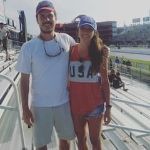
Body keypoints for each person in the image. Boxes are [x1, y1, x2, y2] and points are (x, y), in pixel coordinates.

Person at [16, 1, 76, 150]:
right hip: (40, 105)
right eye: (42, 16)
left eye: (50, 16)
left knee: (65, 140)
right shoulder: (28, 47)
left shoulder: (67, 40)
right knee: (41, 145)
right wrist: (25, 108)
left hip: (64, 103)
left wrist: (100, 49)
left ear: (55, 18)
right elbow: (24, 80)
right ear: (37, 20)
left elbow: (82, 56)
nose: (46, 20)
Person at [69, 15, 111, 150]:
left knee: (95, 140)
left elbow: (105, 82)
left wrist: (109, 107)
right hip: (76, 106)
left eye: (89, 29)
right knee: (80, 139)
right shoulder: (70, 51)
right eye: (83, 28)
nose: (86, 32)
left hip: (95, 106)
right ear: (78, 30)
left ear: (94, 32)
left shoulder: (100, 52)